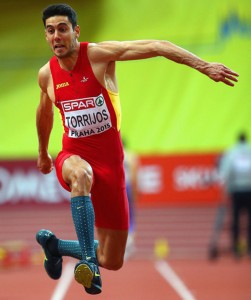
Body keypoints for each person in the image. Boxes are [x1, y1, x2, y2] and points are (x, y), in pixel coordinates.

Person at [35, 3, 239, 295]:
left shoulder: (98, 56)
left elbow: (157, 45)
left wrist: (204, 66)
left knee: (113, 259)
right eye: (50, 31)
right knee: (80, 176)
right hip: (74, 157)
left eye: (63, 29)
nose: (56, 36)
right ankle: (89, 265)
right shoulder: (47, 75)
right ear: (46, 36)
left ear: (76, 31)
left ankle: (56, 246)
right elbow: (44, 113)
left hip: (111, 165)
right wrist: (44, 153)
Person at [219, 132, 251, 258]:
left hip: (236, 190)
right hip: (249, 190)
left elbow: (225, 171)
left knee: (236, 220)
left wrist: (224, 188)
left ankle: (236, 249)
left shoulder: (232, 152)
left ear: (237, 140)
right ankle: (249, 248)